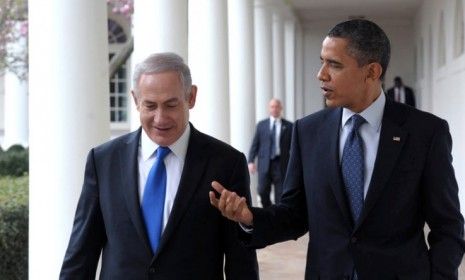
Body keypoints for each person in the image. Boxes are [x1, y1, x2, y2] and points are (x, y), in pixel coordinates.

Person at [210, 19, 465, 279]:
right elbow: (294, 214)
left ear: (372, 72)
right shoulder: (307, 132)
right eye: (322, 61)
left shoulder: (426, 133)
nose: (321, 74)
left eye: (334, 64)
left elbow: (448, 226)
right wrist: (250, 217)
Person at [60, 52, 258, 279]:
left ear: (191, 97)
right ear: (135, 100)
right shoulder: (103, 161)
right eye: (150, 106)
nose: (160, 118)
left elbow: (241, 260)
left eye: (171, 105)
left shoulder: (227, 163)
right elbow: (81, 251)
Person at [248, 98, 292, 207]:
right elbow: (255, 144)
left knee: (281, 194)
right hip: (265, 164)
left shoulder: (290, 126)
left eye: (277, 106)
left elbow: (294, 147)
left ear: (281, 108)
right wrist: (251, 161)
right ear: (269, 109)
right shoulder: (261, 125)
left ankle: (277, 216)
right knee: (262, 191)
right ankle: (268, 211)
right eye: (272, 106)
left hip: (281, 163)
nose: (275, 109)